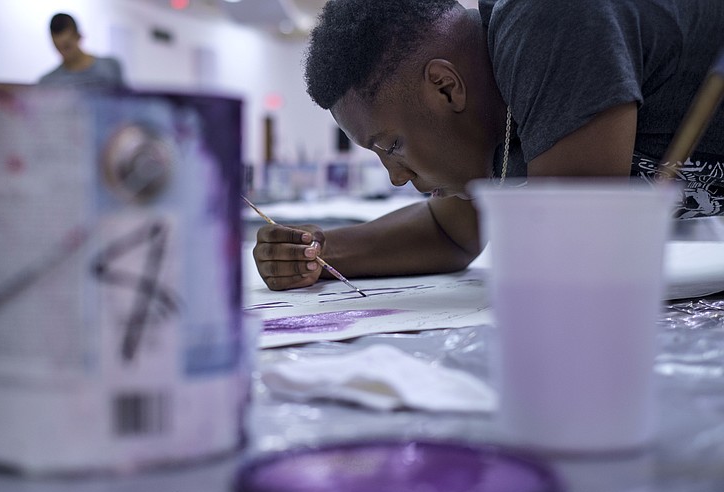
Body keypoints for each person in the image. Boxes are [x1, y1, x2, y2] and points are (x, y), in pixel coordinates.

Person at [251, 0, 724, 291]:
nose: (395, 176)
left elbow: (574, 264)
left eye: (392, 145)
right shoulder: (498, 113)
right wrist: (317, 250)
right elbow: (452, 234)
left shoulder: (549, 20)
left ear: (445, 86)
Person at [38, 13, 125, 89]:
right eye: (58, 47)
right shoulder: (48, 83)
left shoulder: (110, 67)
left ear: (79, 36)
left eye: (67, 46)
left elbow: (124, 103)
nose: (63, 52)